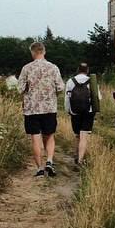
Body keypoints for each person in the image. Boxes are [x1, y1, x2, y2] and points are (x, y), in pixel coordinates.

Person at [18, 41, 64, 177]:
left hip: (31, 109)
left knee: (35, 138)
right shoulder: (53, 67)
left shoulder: (26, 68)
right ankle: (49, 160)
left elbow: (19, 88)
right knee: (49, 135)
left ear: (32, 52)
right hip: (49, 107)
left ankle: (39, 168)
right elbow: (60, 87)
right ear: (44, 52)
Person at [64, 63, 101, 166]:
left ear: (77, 69)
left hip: (75, 111)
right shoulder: (92, 81)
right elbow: (98, 97)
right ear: (87, 70)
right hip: (88, 112)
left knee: (77, 135)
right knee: (84, 136)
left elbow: (67, 98)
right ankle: (80, 160)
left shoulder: (70, 81)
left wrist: (68, 110)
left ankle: (77, 156)